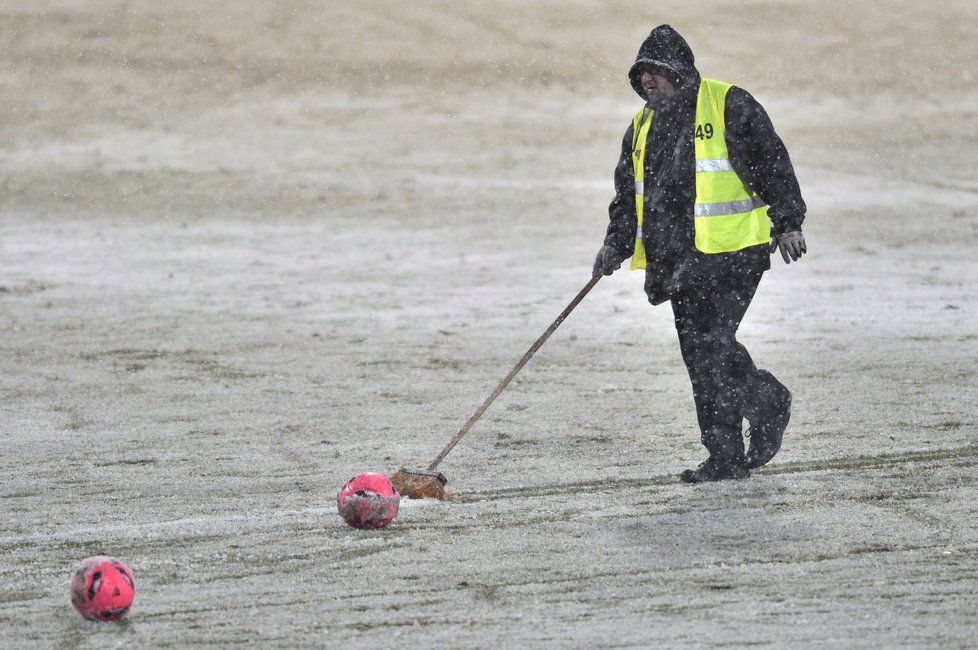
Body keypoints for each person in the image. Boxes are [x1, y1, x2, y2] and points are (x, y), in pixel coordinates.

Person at [593, 24, 807, 483]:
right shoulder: (640, 128)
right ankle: (725, 456)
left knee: (711, 346)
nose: (646, 81)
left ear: (679, 71)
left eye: (654, 71)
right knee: (700, 355)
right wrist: (615, 243)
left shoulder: (728, 102)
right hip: (679, 263)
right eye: (640, 74)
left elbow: (772, 159)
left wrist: (788, 221)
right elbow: (627, 197)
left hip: (733, 252)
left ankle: (767, 403)